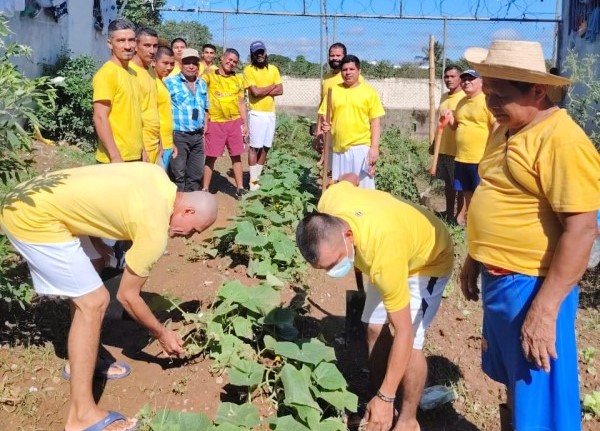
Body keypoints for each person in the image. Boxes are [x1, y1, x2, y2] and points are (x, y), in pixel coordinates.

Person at [0, 162, 217, 431]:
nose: (189, 237)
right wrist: (162, 333)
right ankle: (82, 416)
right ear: (188, 210)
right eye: (194, 229)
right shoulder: (155, 228)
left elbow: (106, 188)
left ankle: (80, 361)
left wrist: (99, 239)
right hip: (30, 215)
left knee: (95, 265)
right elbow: (128, 297)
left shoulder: (156, 175)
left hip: (35, 194)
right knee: (95, 301)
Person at [460, 40, 600, 431]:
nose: (489, 103)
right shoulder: (506, 126)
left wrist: (544, 310)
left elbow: (583, 228)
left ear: (538, 91)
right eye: (487, 92)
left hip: (533, 286)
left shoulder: (562, 140)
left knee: (541, 398)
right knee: (517, 385)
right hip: (500, 281)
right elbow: (498, 194)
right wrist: (475, 256)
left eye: (500, 96)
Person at [296, 174, 454, 431]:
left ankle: (407, 419)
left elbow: (403, 331)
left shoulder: (383, 255)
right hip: (390, 241)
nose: (332, 271)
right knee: (373, 327)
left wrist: (387, 395)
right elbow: (348, 179)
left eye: (335, 263)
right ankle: (380, 404)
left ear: (348, 235)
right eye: (324, 268)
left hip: (427, 261)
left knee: (411, 345)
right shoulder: (331, 200)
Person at [319, 55, 384, 189]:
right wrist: (326, 124)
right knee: (341, 190)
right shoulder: (333, 91)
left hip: (361, 149)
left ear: (359, 71)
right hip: (339, 149)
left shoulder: (369, 92)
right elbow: (325, 116)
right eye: (344, 70)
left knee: (363, 190)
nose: (348, 72)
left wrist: (374, 148)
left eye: (351, 69)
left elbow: (375, 123)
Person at [445, 69, 496, 225]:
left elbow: (496, 126)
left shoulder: (487, 101)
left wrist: (492, 150)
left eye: (471, 79)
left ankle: (481, 221)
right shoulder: (461, 102)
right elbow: (456, 127)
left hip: (480, 157)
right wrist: (449, 118)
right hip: (462, 156)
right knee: (466, 190)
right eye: (464, 79)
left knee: (480, 191)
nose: (466, 82)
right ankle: (469, 219)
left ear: (481, 82)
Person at [92, 19, 143, 163]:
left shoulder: (132, 72)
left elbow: (134, 116)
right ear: (110, 44)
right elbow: (100, 117)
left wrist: (142, 150)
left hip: (134, 156)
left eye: (131, 40)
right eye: (121, 41)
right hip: (115, 159)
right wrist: (115, 157)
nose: (127, 46)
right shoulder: (107, 73)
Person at [202, 48, 248, 198]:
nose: (231, 63)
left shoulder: (238, 79)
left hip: (234, 122)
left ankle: (240, 187)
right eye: (229, 59)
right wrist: (205, 120)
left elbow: (241, 103)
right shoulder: (208, 77)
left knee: (236, 156)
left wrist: (245, 123)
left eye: (235, 61)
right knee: (211, 156)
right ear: (222, 58)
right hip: (215, 122)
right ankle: (205, 188)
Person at [164, 48, 209, 192]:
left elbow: (206, 107)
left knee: (196, 174)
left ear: (198, 65)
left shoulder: (202, 84)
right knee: (178, 173)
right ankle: (176, 206)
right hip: (178, 136)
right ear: (180, 65)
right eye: (187, 63)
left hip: (197, 135)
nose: (191, 66)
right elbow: (162, 110)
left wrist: (205, 125)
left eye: (194, 63)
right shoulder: (170, 83)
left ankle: (190, 206)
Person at [243, 41, 283, 191]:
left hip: (270, 113)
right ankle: (252, 182)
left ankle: (256, 178)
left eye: (262, 52)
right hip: (256, 114)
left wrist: (264, 89)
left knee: (266, 147)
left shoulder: (273, 69)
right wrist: (273, 86)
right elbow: (255, 92)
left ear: (265, 52)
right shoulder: (249, 70)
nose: (260, 55)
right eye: (256, 52)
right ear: (252, 54)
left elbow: (281, 90)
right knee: (254, 147)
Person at [435, 65, 465, 222]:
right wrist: (435, 144)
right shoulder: (444, 97)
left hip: (458, 149)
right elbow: (440, 122)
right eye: (446, 76)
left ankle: (459, 217)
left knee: (459, 186)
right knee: (448, 183)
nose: (449, 79)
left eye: (453, 76)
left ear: (460, 78)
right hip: (444, 147)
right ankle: (448, 213)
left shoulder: (464, 98)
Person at [130, 27, 161, 164]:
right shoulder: (130, 72)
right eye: (147, 45)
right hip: (140, 145)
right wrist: (141, 148)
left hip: (155, 142)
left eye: (155, 46)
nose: (152, 50)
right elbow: (130, 115)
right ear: (136, 46)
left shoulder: (151, 71)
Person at [154, 45, 177, 169]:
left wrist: (170, 142)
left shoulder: (163, 84)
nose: (169, 67)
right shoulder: (152, 83)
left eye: (172, 64)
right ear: (154, 62)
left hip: (166, 143)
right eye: (165, 63)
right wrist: (159, 143)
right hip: (157, 145)